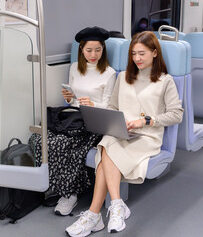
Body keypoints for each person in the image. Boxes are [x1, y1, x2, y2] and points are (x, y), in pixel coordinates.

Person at [65, 31, 183, 236]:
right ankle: (115, 207)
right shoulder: (123, 77)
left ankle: (95, 215)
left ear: (155, 53)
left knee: (105, 153)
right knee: (108, 142)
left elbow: (176, 115)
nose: (136, 58)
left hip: (147, 136)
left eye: (142, 54)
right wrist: (107, 118)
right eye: (133, 54)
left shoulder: (165, 81)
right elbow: (112, 106)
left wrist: (146, 120)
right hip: (121, 132)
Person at [29, 26, 116, 216]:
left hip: (93, 123)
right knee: (40, 140)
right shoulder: (74, 68)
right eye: (89, 50)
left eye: (98, 50)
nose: (94, 54)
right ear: (81, 50)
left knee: (62, 144)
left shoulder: (109, 73)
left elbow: (110, 108)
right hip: (73, 118)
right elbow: (73, 101)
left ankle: (70, 194)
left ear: (103, 49)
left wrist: (93, 104)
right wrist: (69, 99)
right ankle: (56, 186)